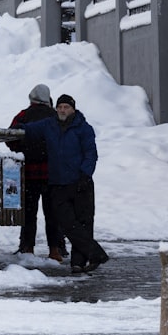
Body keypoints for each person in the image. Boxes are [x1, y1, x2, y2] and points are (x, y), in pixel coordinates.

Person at [22, 94, 109, 273]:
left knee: (83, 222)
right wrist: (15, 128)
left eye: (66, 107)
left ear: (73, 109)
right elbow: (28, 130)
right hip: (58, 183)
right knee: (66, 223)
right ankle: (96, 253)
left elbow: (91, 153)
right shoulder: (49, 125)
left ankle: (78, 263)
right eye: (60, 107)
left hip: (80, 182)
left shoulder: (84, 128)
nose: (62, 110)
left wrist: (85, 175)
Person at [7, 84, 67, 261]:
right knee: (52, 213)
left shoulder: (23, 116)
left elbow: (11, 138)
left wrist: (23, 148)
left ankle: (27, 248)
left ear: (32, 97)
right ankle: (55, 250)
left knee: (29, 212)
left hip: (30, 173)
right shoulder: (56, 117)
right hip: (52, 174)